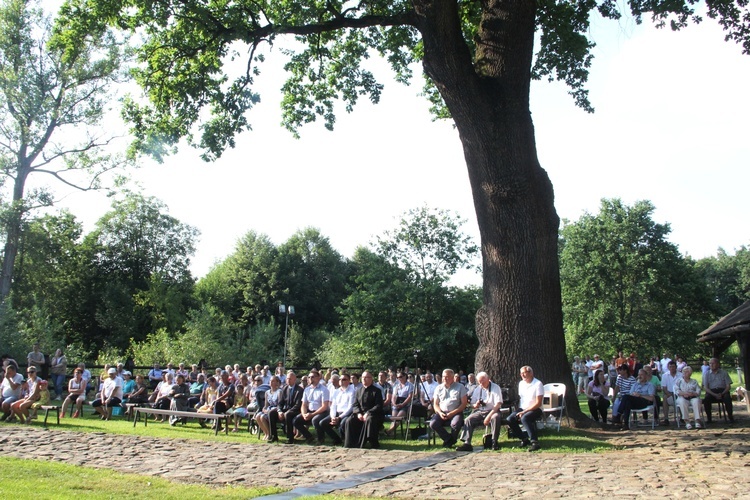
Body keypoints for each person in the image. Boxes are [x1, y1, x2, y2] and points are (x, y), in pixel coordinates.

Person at [456, 371, 504, 451]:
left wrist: (488, 417)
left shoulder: (495, 388)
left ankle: (494, 441)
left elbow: (498, 404)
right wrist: (475, 405)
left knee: (495, 417)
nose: (481, 384)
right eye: (479, 382)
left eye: (483, 381)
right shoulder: (478, 389)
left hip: (493, 410)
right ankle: (467, 443)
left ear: (488, 379)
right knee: (468, 420)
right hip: (481, 411)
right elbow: (472, 404)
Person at [506, 366, 544, 452]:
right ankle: (524, 439)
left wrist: (524, 412)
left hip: (536, 408)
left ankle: (535, 442)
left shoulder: (538, 384)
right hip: (523, 407)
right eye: (521, 373)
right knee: (510, 419)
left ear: (531, 373)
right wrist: (521, 411)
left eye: (524, 373)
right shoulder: (521, 384)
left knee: (525, 418)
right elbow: (521, 399)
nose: (522, 375)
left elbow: (538, 403)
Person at [342, 371, 384, 448]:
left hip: (373, 414)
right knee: (349, 421)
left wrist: (368, 413)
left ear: (371, 379)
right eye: (363, 377)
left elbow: (378, 405)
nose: (364, 379)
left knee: (370, 420)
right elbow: (355, 404)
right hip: (360, 414)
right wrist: (358, 413)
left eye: (366, 377)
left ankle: (372, 442)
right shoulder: (358, 390)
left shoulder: (377, 391)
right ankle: (350, 443)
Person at [429, 368, 468, 448]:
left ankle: (449, 442)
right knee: (433, 423)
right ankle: (449, 439)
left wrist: (452, 413)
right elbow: (435, 404)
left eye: (447, 377)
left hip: (456, 412)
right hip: (442, 412)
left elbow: (464, 404)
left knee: (455, 424)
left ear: (452, 377)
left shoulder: (460, 387)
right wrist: (440, 412)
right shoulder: (438, 388)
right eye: (443, 377)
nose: (445, 379)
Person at [292, 370, 331, 444]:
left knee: (315, 420)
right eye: (309, 377)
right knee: (296, 420)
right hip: (310, 411)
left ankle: (321, 439)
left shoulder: (324, 390)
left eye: (313, 377)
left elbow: (324, 406)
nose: (310, 379)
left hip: (321, 412)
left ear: (318, 378)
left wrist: (312, 415)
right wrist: (304, 414)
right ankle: (309, 437)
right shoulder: (307, 389)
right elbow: (303, 404)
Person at [318, 373, 355, 445]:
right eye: (340, 379)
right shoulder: (336, 392)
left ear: (349, 381)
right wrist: (333, 417)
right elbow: (333, 406)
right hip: (337, 413)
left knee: (342, 423)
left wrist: (339, 417)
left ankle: (346, 439)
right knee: (323, 423)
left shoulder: (352, 391)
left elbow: (350, 407)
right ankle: (336, 439)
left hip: (347, 413)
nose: (341, 381)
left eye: (344, 379)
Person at [272, 371, 303, 444]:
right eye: (287, 379)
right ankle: (274, 436)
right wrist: (279, 411)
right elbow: (280, 403)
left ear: (294, 379)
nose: (288, 380)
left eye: (290, 379)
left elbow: (298, 405)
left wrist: (286, 412)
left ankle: (290, 437)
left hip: (296, 410)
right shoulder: (284, 388)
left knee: (288, 414)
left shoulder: (299, 390)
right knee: (271, 413)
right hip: (286, 409)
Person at [702, 357, 734, 424]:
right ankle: (709, 418)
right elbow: (705, 387)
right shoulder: (706, 374)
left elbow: (728, 386)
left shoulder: (724, 373)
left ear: (718, 364)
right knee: (706, 399)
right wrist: (714, 394)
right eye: (710, 363)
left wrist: (722, 393)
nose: (711, 365)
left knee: (727, 398)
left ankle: (730, 417)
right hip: (712, 392)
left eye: (713, 363)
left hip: (723, 390)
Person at [256, 375, 282, 441]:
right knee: (258, 416)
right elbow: (266, 404)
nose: (271, 382)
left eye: (273, 381)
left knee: (262, 417)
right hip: (269, 409)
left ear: (277, 382)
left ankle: (270, 434)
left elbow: (279, 404)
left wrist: (271, 410)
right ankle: (266, 433)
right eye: (270, 381)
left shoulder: (279, 392)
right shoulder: (267, 392)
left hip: (275, 410)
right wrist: (264, 409)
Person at [660, 360, 679, 426]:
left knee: (682, 398)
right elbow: (664, 387)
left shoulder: (681, 375)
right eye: (670, 367)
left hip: (679, 394)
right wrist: (669, 394)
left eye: (673, 366)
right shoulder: (664, 375)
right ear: (668, 367)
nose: (672, 368)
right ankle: (666, 419)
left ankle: (683, 418)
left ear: (676, 367)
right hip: (669, 393)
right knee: (665, 398)